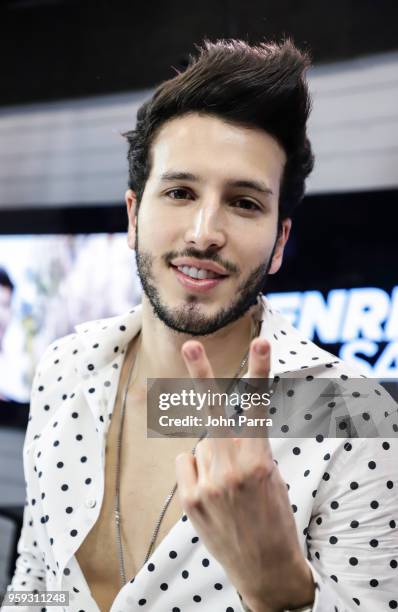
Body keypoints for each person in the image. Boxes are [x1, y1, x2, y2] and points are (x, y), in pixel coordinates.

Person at [2, 38, 397, 612]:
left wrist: (279, 590)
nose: (204, 231)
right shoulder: (66, 366)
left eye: (244, 203)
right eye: (181, 192)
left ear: (280, 241)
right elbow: (37, 577)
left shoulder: (354, 420)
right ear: (134, 216)